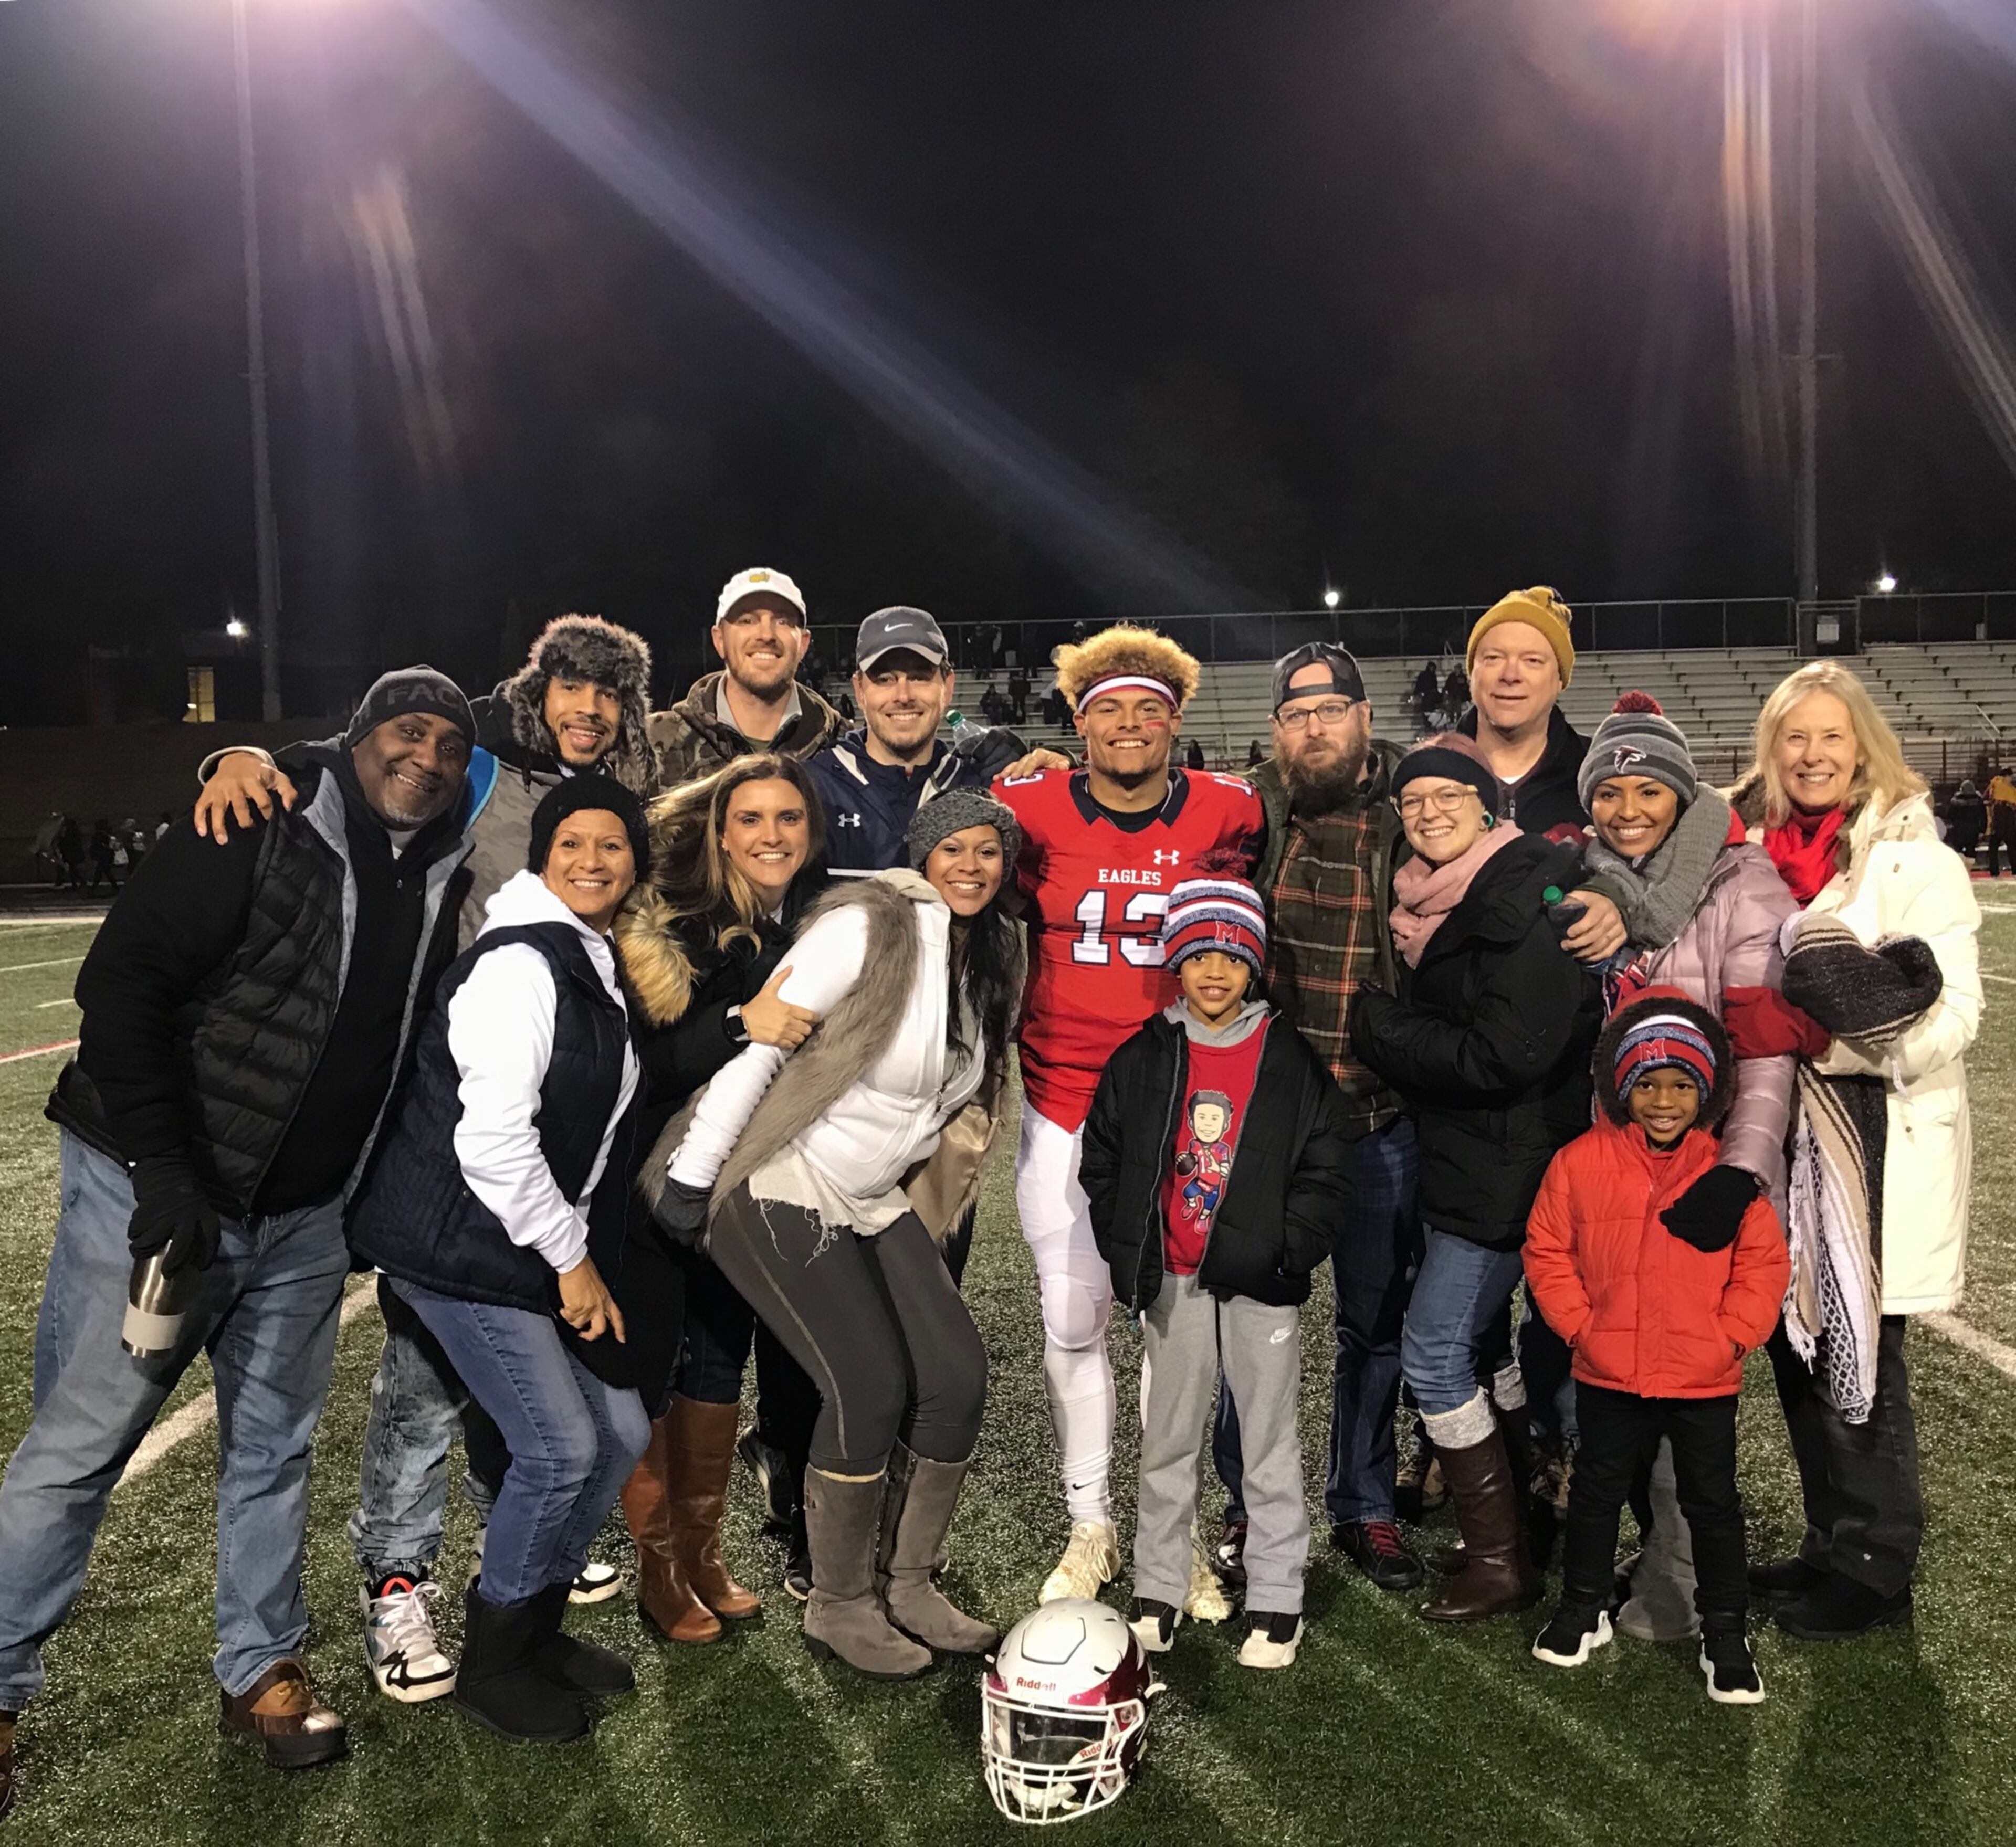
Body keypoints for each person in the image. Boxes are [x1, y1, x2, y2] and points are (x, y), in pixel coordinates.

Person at [0, 669, 476, 1803]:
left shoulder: (444, 853)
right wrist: (165, 1169)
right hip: (155, 1195)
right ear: (354, 739)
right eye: (407, 731)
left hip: (303, 1220)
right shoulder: (256, 815)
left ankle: (258, 1662)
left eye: (452, 744)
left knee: (273, 1451)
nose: (429, 756)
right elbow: (119, 986)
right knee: (78, 1449)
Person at [191, 614, 657, 1701]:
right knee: (425, 1378)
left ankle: (524, 1563)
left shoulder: (633, 786)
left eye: (606, 695)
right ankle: (398, 1579)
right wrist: (246, 756)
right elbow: (363, 762)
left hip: (546, 1115)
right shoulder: (478, 767)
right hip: (446, 1102)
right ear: (537, 690)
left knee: (549, 1406)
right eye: (569, 689)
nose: (586, 709)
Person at [650, 790, 1024, 1678]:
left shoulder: (992, 953)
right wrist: (693, 1176)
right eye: (953, 848)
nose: (970, 864)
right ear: (922, 854)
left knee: (955, 1373)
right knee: (865, 1379)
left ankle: (910, 1581)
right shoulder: (869, 924)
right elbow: (764, 1047)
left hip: (866, 1188)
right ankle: (839, 1600)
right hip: (776, 1167)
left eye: (989, 851)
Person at [348, 777, 650, 1743]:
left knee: (623, 1431)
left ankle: (535, 1621)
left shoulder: (586, 951)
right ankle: (496, 1656)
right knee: (560, 1445)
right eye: (575, 841)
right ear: (543, 851)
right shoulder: (520, 960)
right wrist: (573, 1258)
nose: (594, 859)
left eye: (614, 844)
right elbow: (492, 1144)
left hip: (513, 1238)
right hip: (461, 1244)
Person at [992, 625, 1265, 1605]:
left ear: (1177, 720)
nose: (1130, 723)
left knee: (1175, 1331)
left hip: (1181, 1109)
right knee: (1074, 1322)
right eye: (1109, 707)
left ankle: (1171, 1530)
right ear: (1078, 722)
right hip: (1065, 1100)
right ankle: (1090, 1524)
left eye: (1149, 707)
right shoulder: (1025, 805)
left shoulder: (1229, 807)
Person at [1736, 661, 1980, 1639]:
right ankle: (1830, 1537)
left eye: (1832, 737)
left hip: (1873, 1126)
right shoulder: (1752, 850)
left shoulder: (1916, 859)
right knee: (1796, 1339)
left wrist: (1841, 1035)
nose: (1812, 755)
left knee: (1864, 1348)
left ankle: (1877, 1560)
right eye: (1795, 737)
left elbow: (1954, 1013)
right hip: (1779, 1122)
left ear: (1863, 745)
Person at [1554, 691, 1801, 1644]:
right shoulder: (1591, 878)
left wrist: (1741, 1173)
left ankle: (1680, 1589)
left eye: (1648, 788)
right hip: (1619, 1169)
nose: (1626, 808)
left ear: (1682, 791)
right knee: (1622, 1374)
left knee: (1684, 1383)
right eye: (1609, 790)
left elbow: (1767, 1049)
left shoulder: (1742, 881)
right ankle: (1653, 1568)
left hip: (1705, 1173)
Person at [1347, 731, 1601, 1622]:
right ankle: (1522, 1513)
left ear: (1488, 806)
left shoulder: (1525, 893)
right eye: (1414, 801)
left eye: (1449, 796)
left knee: (1435, 1348)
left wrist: (1375, 1031)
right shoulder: (1431, 893)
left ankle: (1502, 1554)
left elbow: (1505, 1053)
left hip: (1506, 1158)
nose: (1429, 813)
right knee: (1482, 1345)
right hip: (1474, 1151)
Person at [1081, 859, 1354, 1672]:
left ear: (1254, 964)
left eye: (1233, 956)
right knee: (1167, 1439)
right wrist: (1126, 1244)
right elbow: (1104, 1160)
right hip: (1173, 1280)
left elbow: (1329, 1164)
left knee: (1268, 1442)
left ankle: (1277, 1597)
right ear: (1176, 959)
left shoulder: (1288, 1054)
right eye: (1199, 953)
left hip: (1259, 1284)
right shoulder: (1145, 1053)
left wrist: (1287, 1249)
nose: (1214, 970)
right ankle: (1159, 1589)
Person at [1215, 644, 1423, 1595]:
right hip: (1270, 1125)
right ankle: (1246, 1502)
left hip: (1381, 1116)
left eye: (1330, 708)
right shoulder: (1247, 811)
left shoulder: (1415, 811)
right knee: (1249, 1327)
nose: (1314, 726)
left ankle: (1364, 1502)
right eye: (1297, 712)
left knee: (1375, 1328)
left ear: (1364, 716)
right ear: (1277, 729)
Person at [1523, 991, 1789, 1704]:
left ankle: (1725, 1629)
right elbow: (1547, 1248)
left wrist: (1731, 1334)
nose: (1664, 1099)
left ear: (1704, 1092)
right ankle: (1582, 1608)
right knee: (1597, 1494)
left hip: (1704, 1378)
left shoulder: (1726, 1172)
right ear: (1623, 1088)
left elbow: (1763, 1264)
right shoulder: (1580, 1161)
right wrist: (1582, 1325)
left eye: (1680, 1084)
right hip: (1609, 1370)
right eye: (1648, 1083)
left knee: (1713, 1503)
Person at [612, 756, 824, 1631]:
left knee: (715, 1357)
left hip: (743, 1182)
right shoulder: (677, 924)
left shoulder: (806, 922)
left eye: (788, 818)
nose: (770, 835)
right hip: (655, 1180)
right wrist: (743, 1022)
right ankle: (658, 1568)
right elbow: (651, 1064)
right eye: (750, 818)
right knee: (656, 1369)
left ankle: (703, 1550)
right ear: (718, 828)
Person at [650, 568, 843, 786]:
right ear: (719, 639)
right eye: (747, 620)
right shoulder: (654, 742)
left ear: (804, 644)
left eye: (783, 621)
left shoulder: (845, 748)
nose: (766, 635)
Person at [1455, 587, 1588, 841]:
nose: (1510, 675)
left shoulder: (1599, 778)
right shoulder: (1427, 775)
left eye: (1533, 661)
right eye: (1494, 658)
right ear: (1472, 674)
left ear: (1560, 679)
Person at [1983, 765, 2016, 878]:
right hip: (2007, 819)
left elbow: (1986, 797)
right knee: (2012, 847)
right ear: (2006, 776)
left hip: (1997, 820)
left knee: (1993, 847)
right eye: (2010, 776)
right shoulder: (2006, 787)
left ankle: (1994, 871)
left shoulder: (1994, 784)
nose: (2012, 779)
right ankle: (2015, 870)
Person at [1944, 779, 1985, 867]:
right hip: (1973, 830)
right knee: (1971, 850)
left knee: (1958, 850)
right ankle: (1969, 868)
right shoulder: (1978, 802)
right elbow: (1983, 817)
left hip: (1959, 829)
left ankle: (1959, 867)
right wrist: (1982, 830)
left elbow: (1950, 815)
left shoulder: (1955, 802)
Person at [1411, 661, 1440, 733]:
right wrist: (1417, 693)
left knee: (1429, 712)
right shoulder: (1425, 675)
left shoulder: (1433, 675)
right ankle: (1428, 725)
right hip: (1426, 696)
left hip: (1431, 697)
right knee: (1426, 712)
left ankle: (1430, 725)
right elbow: (1419, 685)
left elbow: (1435, 686)